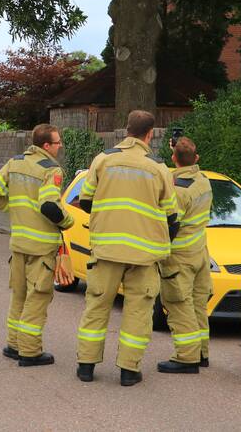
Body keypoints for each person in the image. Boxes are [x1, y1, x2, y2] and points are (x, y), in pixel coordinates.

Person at [74, 110, 177, 386]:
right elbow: (171, 217)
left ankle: (86, 366)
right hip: (143, 256)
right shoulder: (158, 167)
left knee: (96, 307)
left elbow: (85, 201)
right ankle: (129, 371)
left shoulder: (103, 160)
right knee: (138, 312)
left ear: (126, 129)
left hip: (106, 251)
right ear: (150, 134)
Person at [0, 124, 74, 366]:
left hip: (18, 243)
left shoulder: (15, 161)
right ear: (46, 145)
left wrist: (14, 210)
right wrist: (69, 221)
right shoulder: (51, 169)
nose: (60, 146)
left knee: (19, 295)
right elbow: (49, 206)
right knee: (38, 297)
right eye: (57, 143)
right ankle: (30, 351)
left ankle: (13, 345)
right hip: (41, 247)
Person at [157, 136, 213, 373]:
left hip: (179, 256)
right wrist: (178, 149)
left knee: (179, 304)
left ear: (173, 159)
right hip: (200, 252)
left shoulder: (178, 189)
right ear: (197, 158)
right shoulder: (203, 181)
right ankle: (201, 353)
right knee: (198, 305)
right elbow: (184, 161)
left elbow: (171, 224)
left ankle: (186, 357)